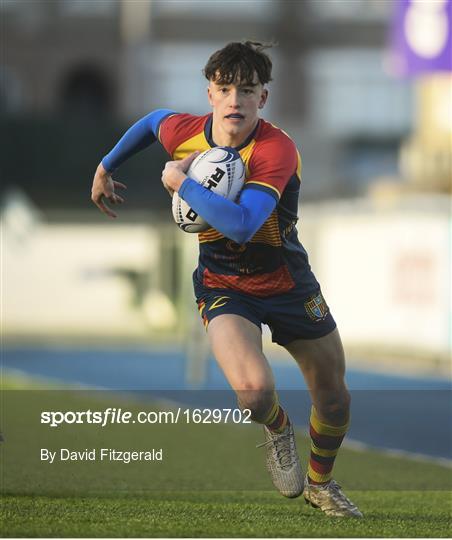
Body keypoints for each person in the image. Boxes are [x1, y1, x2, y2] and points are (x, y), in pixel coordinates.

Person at [91, 41, 362, 518]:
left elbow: (243, 224)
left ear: (264, 98)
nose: (235, 100)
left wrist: (181, 184)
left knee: (335, 398)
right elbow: (152, 121)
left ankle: (321, 484)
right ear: (210, 94)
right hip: (224, 285)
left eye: (247, 90)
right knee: (255, 395)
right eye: (224, 89)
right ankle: (277, 429)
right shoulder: (187, 132)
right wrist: (106, 165)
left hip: (288, 283)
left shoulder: (276, 149)